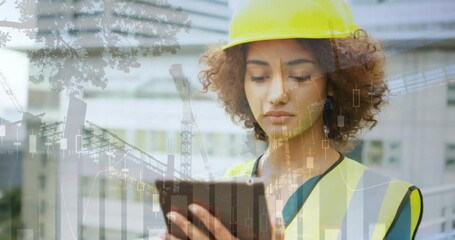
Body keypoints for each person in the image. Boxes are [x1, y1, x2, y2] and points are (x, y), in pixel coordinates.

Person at [161, 0, 423, 239]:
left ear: (335, 80)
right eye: (259, 77)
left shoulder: (386, 200)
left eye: (299, 75)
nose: (277, 95)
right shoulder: (215, 192)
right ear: (240, 83)